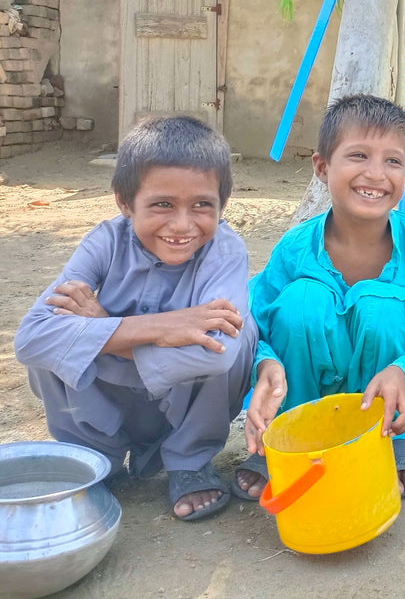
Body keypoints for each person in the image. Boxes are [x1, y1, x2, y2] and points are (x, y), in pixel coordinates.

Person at [15, 116, 256, 520]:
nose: (182, 225)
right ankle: (96, 459)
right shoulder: (104, 242)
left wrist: (99, 329)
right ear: (125, 202)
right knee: (51, 344)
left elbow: (216, 354)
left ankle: (189, 460)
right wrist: (160, 328)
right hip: (104, 403)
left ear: (223, 204)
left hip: (181, 404)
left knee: (242, 333)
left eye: (202, 205)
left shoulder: (225, 250)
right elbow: (30, 339)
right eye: (162, 204)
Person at [234, 94, 405, 501]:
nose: (376, 174)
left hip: (382, 412)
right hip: (300, 404)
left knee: (383, 307)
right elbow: (252, 322)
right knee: (303, 300)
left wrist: (404, 372)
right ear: (322, 167)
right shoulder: (295, 248)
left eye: (392, 161)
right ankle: (285, 439)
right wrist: (264, 362)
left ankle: (390, 438)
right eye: (358, 155)